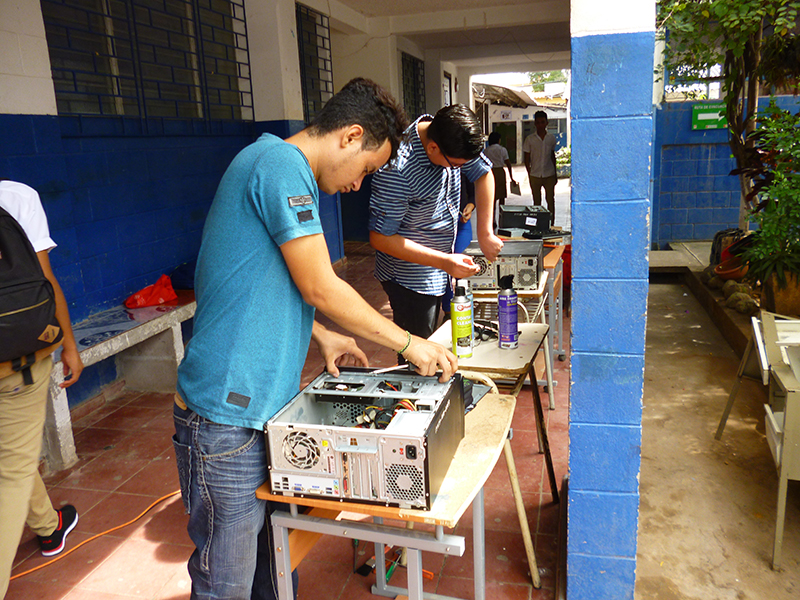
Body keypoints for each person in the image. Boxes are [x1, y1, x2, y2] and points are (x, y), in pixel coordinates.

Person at [172, 78, 457, 600]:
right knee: (226, 584)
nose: (357, 185)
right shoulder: (278, 166)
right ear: (351, 136)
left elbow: (272, 281)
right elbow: (321, 285)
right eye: (367, 170)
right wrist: (409, 344)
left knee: (276, 569)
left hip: (264, 408)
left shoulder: (283, 168)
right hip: (224, 419)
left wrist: (320, 334)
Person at [0, 180, 83, 599]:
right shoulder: (15, 196)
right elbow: (45, 283)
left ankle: (49, 527)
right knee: (11, 472)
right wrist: (68, 344)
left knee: (10, 458)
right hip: (15, 364)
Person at [369, 104, 504, 340]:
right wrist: (443, 262)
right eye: (457, 166)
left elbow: (483, 173)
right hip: (409, 279)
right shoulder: (396, 169)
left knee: (447, 338)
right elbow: (381, 238)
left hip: (441, 267)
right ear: (433, 148)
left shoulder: (450, 136)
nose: (461, 169)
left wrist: (485, 232)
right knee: (418, 352)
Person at [441, 174, 476, 318]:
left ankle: (464, 309)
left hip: (461, 222)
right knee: (443, 267)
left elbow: (475, 192)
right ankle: (448, 311)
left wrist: (471, 205)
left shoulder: (464, 164)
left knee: (463, 267)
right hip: (439, 227)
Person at [522, 110, 558, 219]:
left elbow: (552, 156)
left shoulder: (551, 138)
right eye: (538, 122)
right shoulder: (529, 139)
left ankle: (551, 223)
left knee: (550, 200)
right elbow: (526, 159)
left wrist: (555, 173)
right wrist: (529, 173)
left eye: (542, 122)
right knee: (536, 202)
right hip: (535, 175)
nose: (540, 125)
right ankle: (538, 223)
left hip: (549, 174)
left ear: (547, 123)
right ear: (535, 124)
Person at [483, 131, 516, 212]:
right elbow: (508, 164)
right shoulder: (502, 149)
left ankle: (493, 220)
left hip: (490, 173)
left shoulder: (486, 151)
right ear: (498, 140)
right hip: (500, 173)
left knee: (492, 197)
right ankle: (501, 218)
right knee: (502, 197)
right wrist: (511, 177)